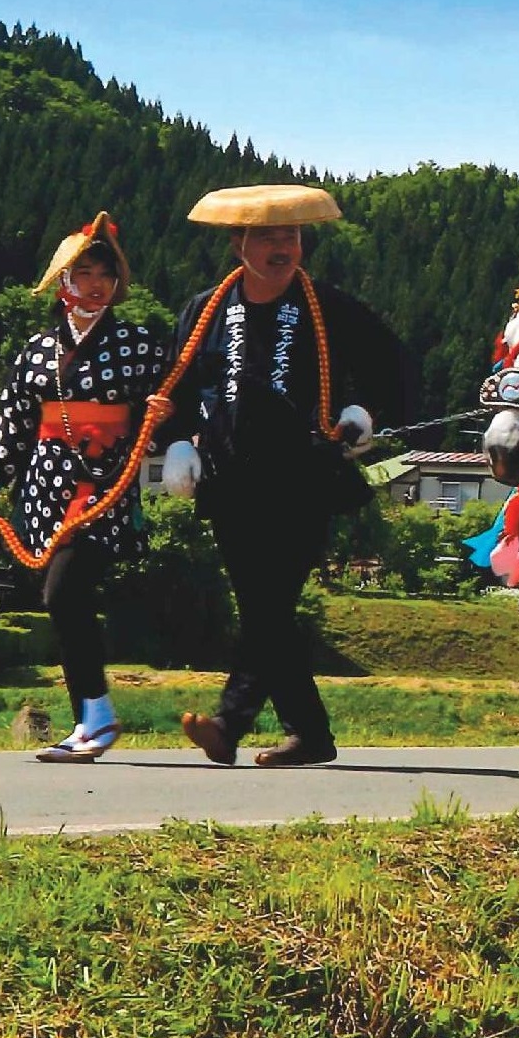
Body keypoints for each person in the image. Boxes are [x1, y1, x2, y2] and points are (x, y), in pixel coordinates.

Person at [157, 186, 415, 770]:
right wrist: (173, 444)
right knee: (261, 606)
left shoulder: (327, 305)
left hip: (303, 477)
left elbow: (392, 365)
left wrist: (365, 413)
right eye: (268, 237)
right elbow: (172, 384)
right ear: (238, 243)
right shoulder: (206, 309)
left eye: (291, 236)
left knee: (267, 603)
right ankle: (298, 733)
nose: (283, 247)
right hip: (227, 478)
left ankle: (233, 722)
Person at [0, 213, 176, 762]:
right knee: (63, 601)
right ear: (63, 282)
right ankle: (90, 721)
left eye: (105, 272)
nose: (96, 283)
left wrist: (166, 421)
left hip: (104, 484)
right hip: (43, 487)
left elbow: (175, 405)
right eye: (84, 271)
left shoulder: (141, 344)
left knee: (65, 592)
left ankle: (96, 719)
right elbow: (10, 423)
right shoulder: (36, 350)